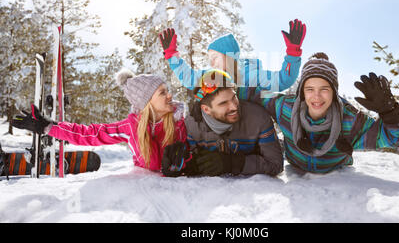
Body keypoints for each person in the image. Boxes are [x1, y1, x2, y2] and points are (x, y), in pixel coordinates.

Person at [237, 52, 399, 174]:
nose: (316, 96)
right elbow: (252, 94)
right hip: (295, 166)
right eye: (309, 89)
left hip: (335, 173)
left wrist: (391, 111)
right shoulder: (285, 107)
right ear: (302, 92)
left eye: (324, 89)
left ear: (334, 92)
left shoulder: (351, 120)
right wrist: (217, 87)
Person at [12, 68, 191, 177]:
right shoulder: (130, 127)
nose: (170, 96)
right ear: (146, 103)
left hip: (179, 193)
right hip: (142, 189)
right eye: (162, 93)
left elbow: (202, 144)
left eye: (167, 91)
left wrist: (187, 160)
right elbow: (90, 134)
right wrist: (48, 126)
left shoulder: (181, 121)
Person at [168, 69, 284, 177]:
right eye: (223, 103)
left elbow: (276, 164)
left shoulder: (258, 118)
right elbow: (190, 157)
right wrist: (182, 163)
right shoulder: (192, 125)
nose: (234, 106)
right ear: (206, 109)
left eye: (234, 97)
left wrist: (233, 163)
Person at [158, 19, 306, 94]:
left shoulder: (251, 76)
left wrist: (292, 53)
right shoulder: (211, 77)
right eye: (210, 58)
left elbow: (283, 80)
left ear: (229, 56)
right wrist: (172, 56)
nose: (211, 62)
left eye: (215, 57)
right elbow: (189, 78)